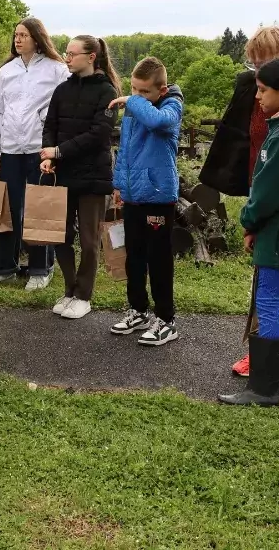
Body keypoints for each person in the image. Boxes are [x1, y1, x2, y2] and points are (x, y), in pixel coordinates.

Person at [199, 26, 279, 378]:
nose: (258, 69)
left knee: (272, 288)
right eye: (254, 62)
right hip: (263, 184)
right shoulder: (254, 92)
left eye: (266, 62)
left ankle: (268, 365)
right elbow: (238, 140)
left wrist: (252, 217)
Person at [217, 57, 279, 407]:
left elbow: (269, 191)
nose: (257, 97)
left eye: (262, 90)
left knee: (269, 299)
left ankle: (264, 386)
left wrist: (249, 220)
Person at [0, 18, 70, 290]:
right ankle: (3, 268)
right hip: (9, 150)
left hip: (39, 149)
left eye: (24, 35)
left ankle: (41, 269)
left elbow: (63, 109)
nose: (18, 40)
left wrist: (52, 147)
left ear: (37, 38)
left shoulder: (56, 69)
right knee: (5, 208)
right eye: (16, 35)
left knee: (38, 207)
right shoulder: (6, 71)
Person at [38, 35, 120, 320]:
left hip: (93, 176)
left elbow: (99, 135)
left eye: (72, 54)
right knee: (61, 236)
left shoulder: (107, 92)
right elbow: (51, 125)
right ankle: (69, 290)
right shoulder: (61, 90)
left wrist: (58, 151)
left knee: (88, 240)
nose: (67, 58)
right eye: (66, 53)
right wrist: (49, 156)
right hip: (63, 174)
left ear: (92, 56)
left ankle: (84, 295)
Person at [109, 57, 184, 346]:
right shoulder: (135, 109)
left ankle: (166, 319)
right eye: (133, 89)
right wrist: (119, 184)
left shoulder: (171, 106)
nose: (136, 96)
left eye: (144, 92)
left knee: (159, 259)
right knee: (135, 257)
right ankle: (138, 310)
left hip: (157, 197)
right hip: (133, 195)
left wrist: (131, 100)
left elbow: (157, 122)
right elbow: (125, 150)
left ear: (161, 89)